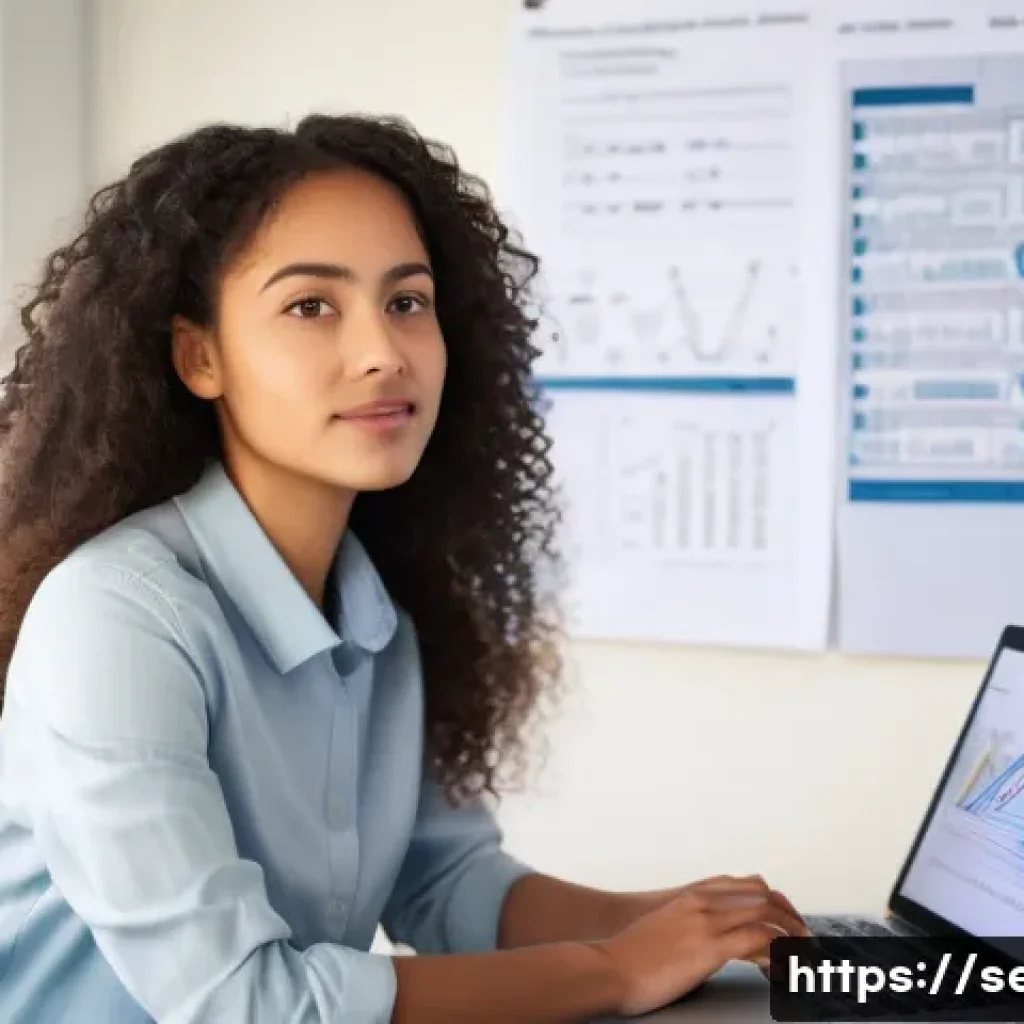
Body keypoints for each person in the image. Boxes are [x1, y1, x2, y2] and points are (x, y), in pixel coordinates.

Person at [0, 113, 807, 1023]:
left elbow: (445, 880)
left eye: (406, 301)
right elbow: (246, 1003)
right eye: (312, 306)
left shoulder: (373, 610)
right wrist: (617, 971)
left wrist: (680, 923)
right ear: (201, 357)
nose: (383, 350)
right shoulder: (117, 615)